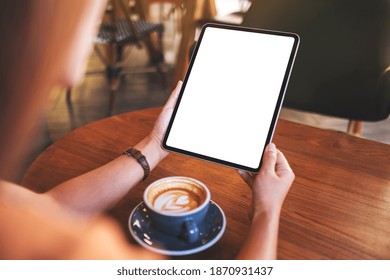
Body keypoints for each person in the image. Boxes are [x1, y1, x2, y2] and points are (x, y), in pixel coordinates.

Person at [0, 0, 294, 259]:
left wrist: (157, 143)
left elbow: (49, 207)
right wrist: (266, 210)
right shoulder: (86, 251)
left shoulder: (11, 215)